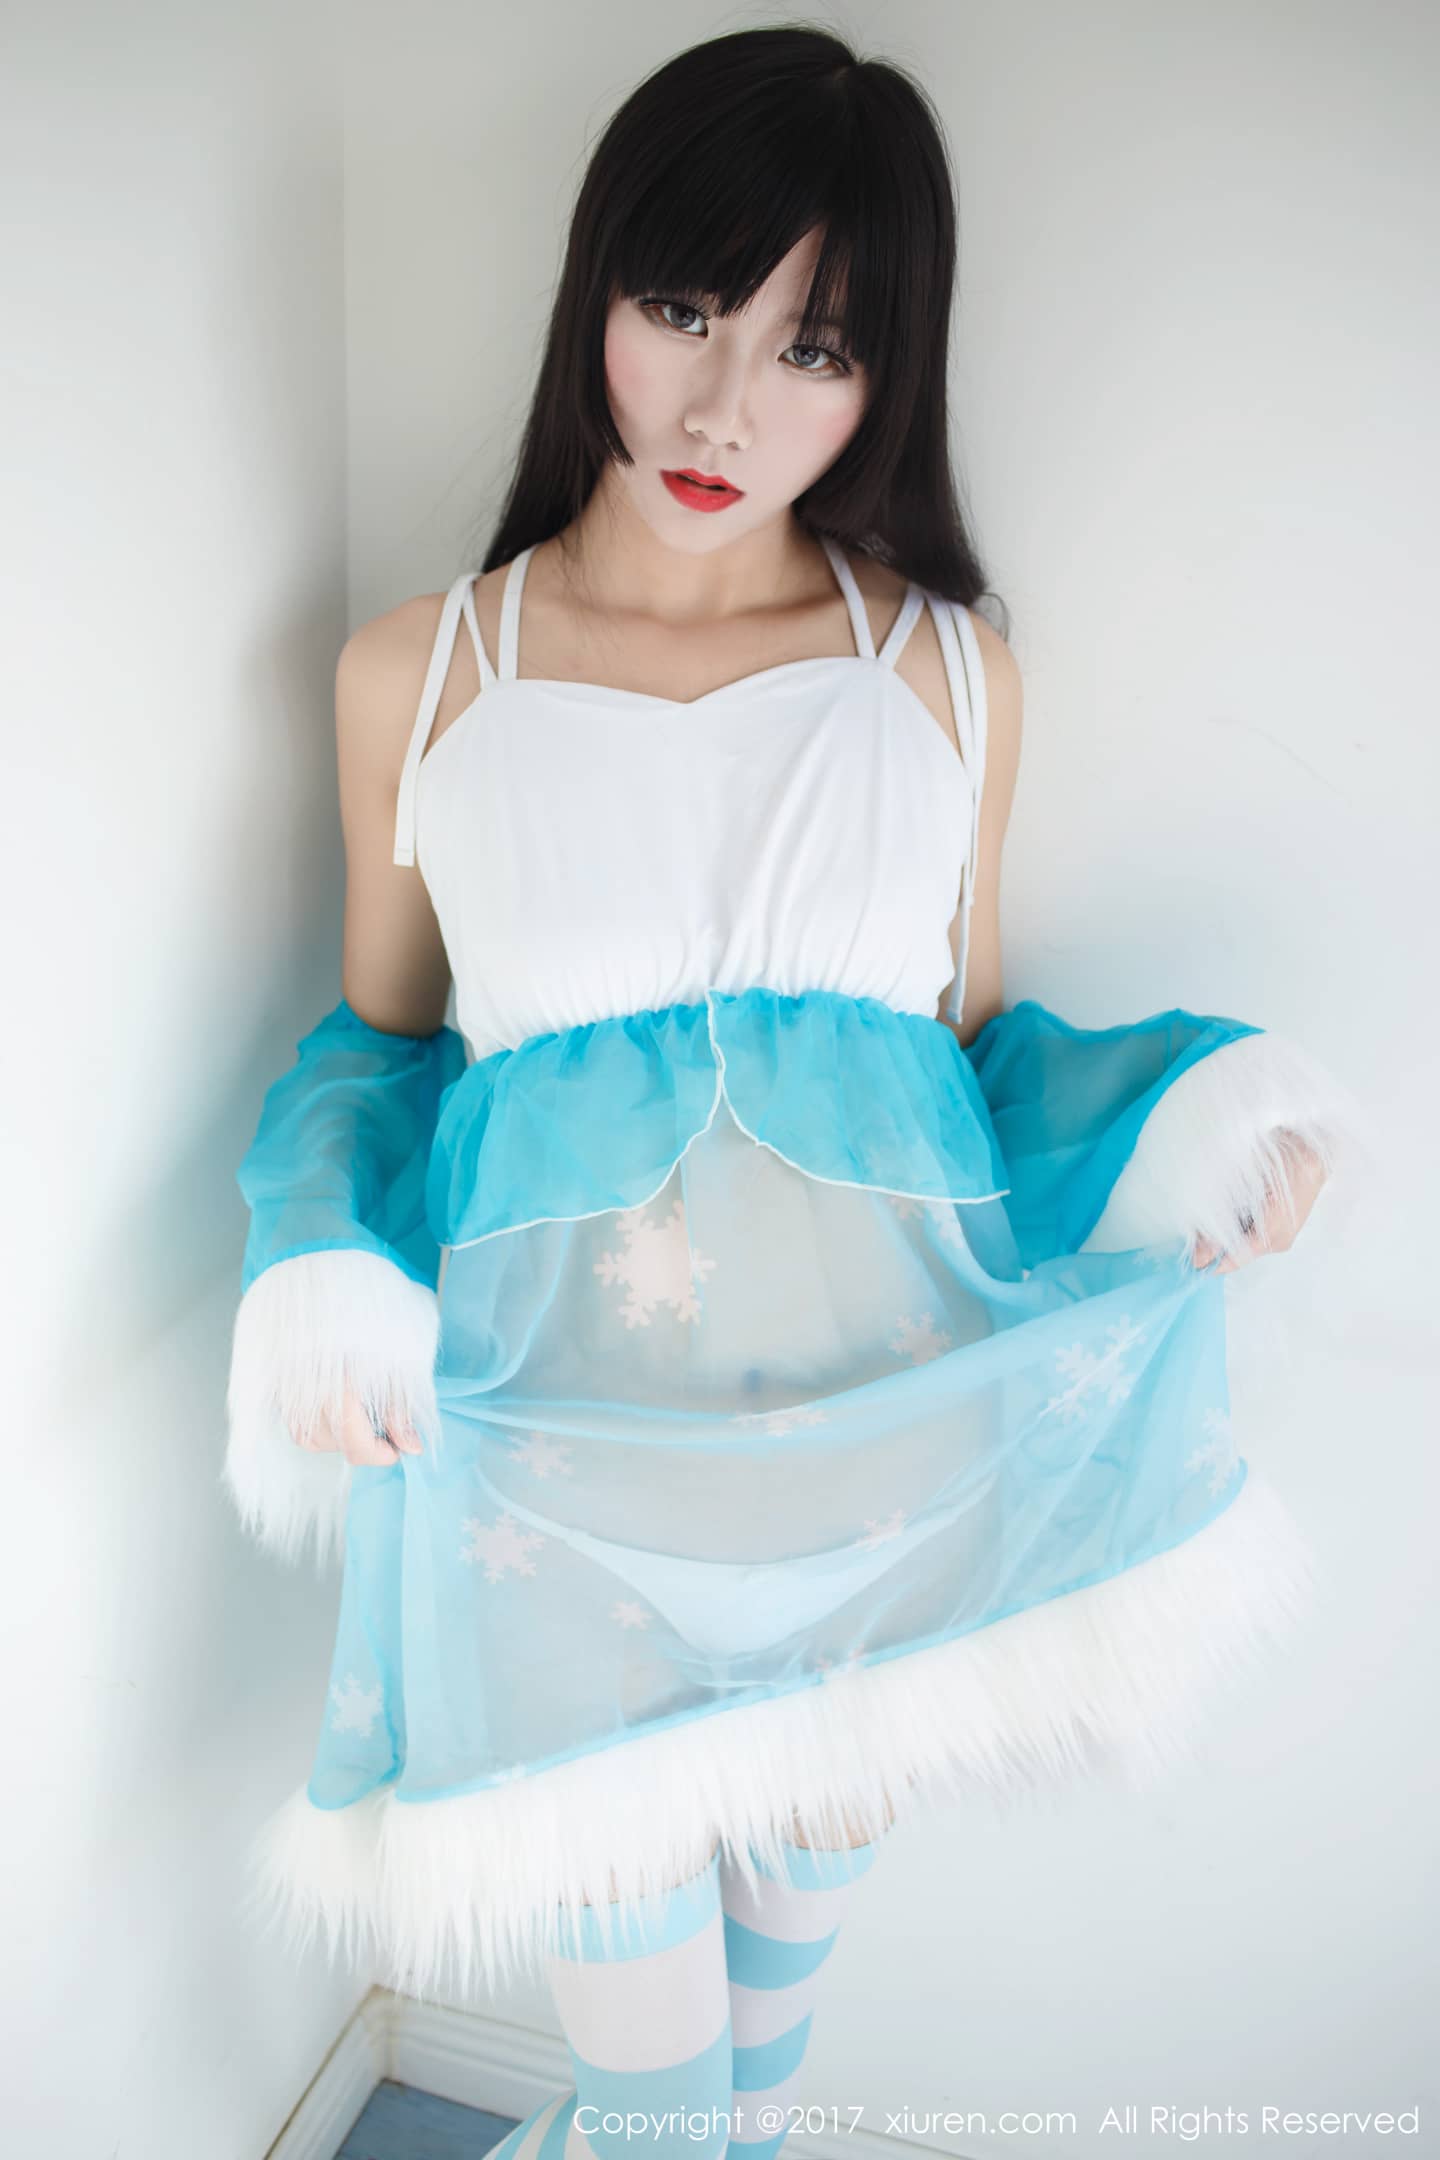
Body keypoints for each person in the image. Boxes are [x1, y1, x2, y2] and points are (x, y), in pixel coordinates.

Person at [223, 27, 1362, 2160]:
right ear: (595, 294)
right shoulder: (423, 674)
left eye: (813, 348)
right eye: (682, 309)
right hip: (559, 1498)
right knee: (664, 2124)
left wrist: (1209, 1120)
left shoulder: (945, 675)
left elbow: (971, 1062)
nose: (726, 408)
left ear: (883, 378)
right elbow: (376, 1049)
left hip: (875, 1473)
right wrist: (320, 1271)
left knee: (748, 2107)